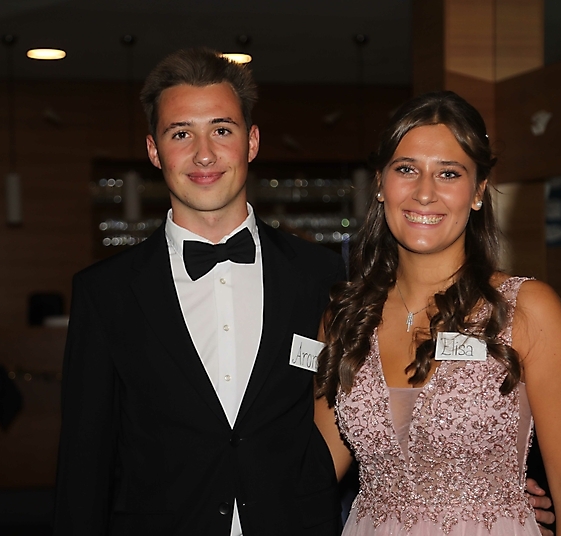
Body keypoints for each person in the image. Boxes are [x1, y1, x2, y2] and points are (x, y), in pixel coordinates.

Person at [53, 47, 345, 535]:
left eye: (222, 130)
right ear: (154, 151)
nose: (204, 154)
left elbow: (351, 411)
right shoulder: (105, 293)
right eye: (181, 133)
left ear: (252, 142)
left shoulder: (321, 275)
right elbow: (84, 459)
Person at [314, 91, 561, 535]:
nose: (424, 192)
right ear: (380, 183)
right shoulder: (345, 318)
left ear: (478, 191)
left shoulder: (526, 309)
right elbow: (310, 475)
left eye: (448, 173)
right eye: (406, 169)